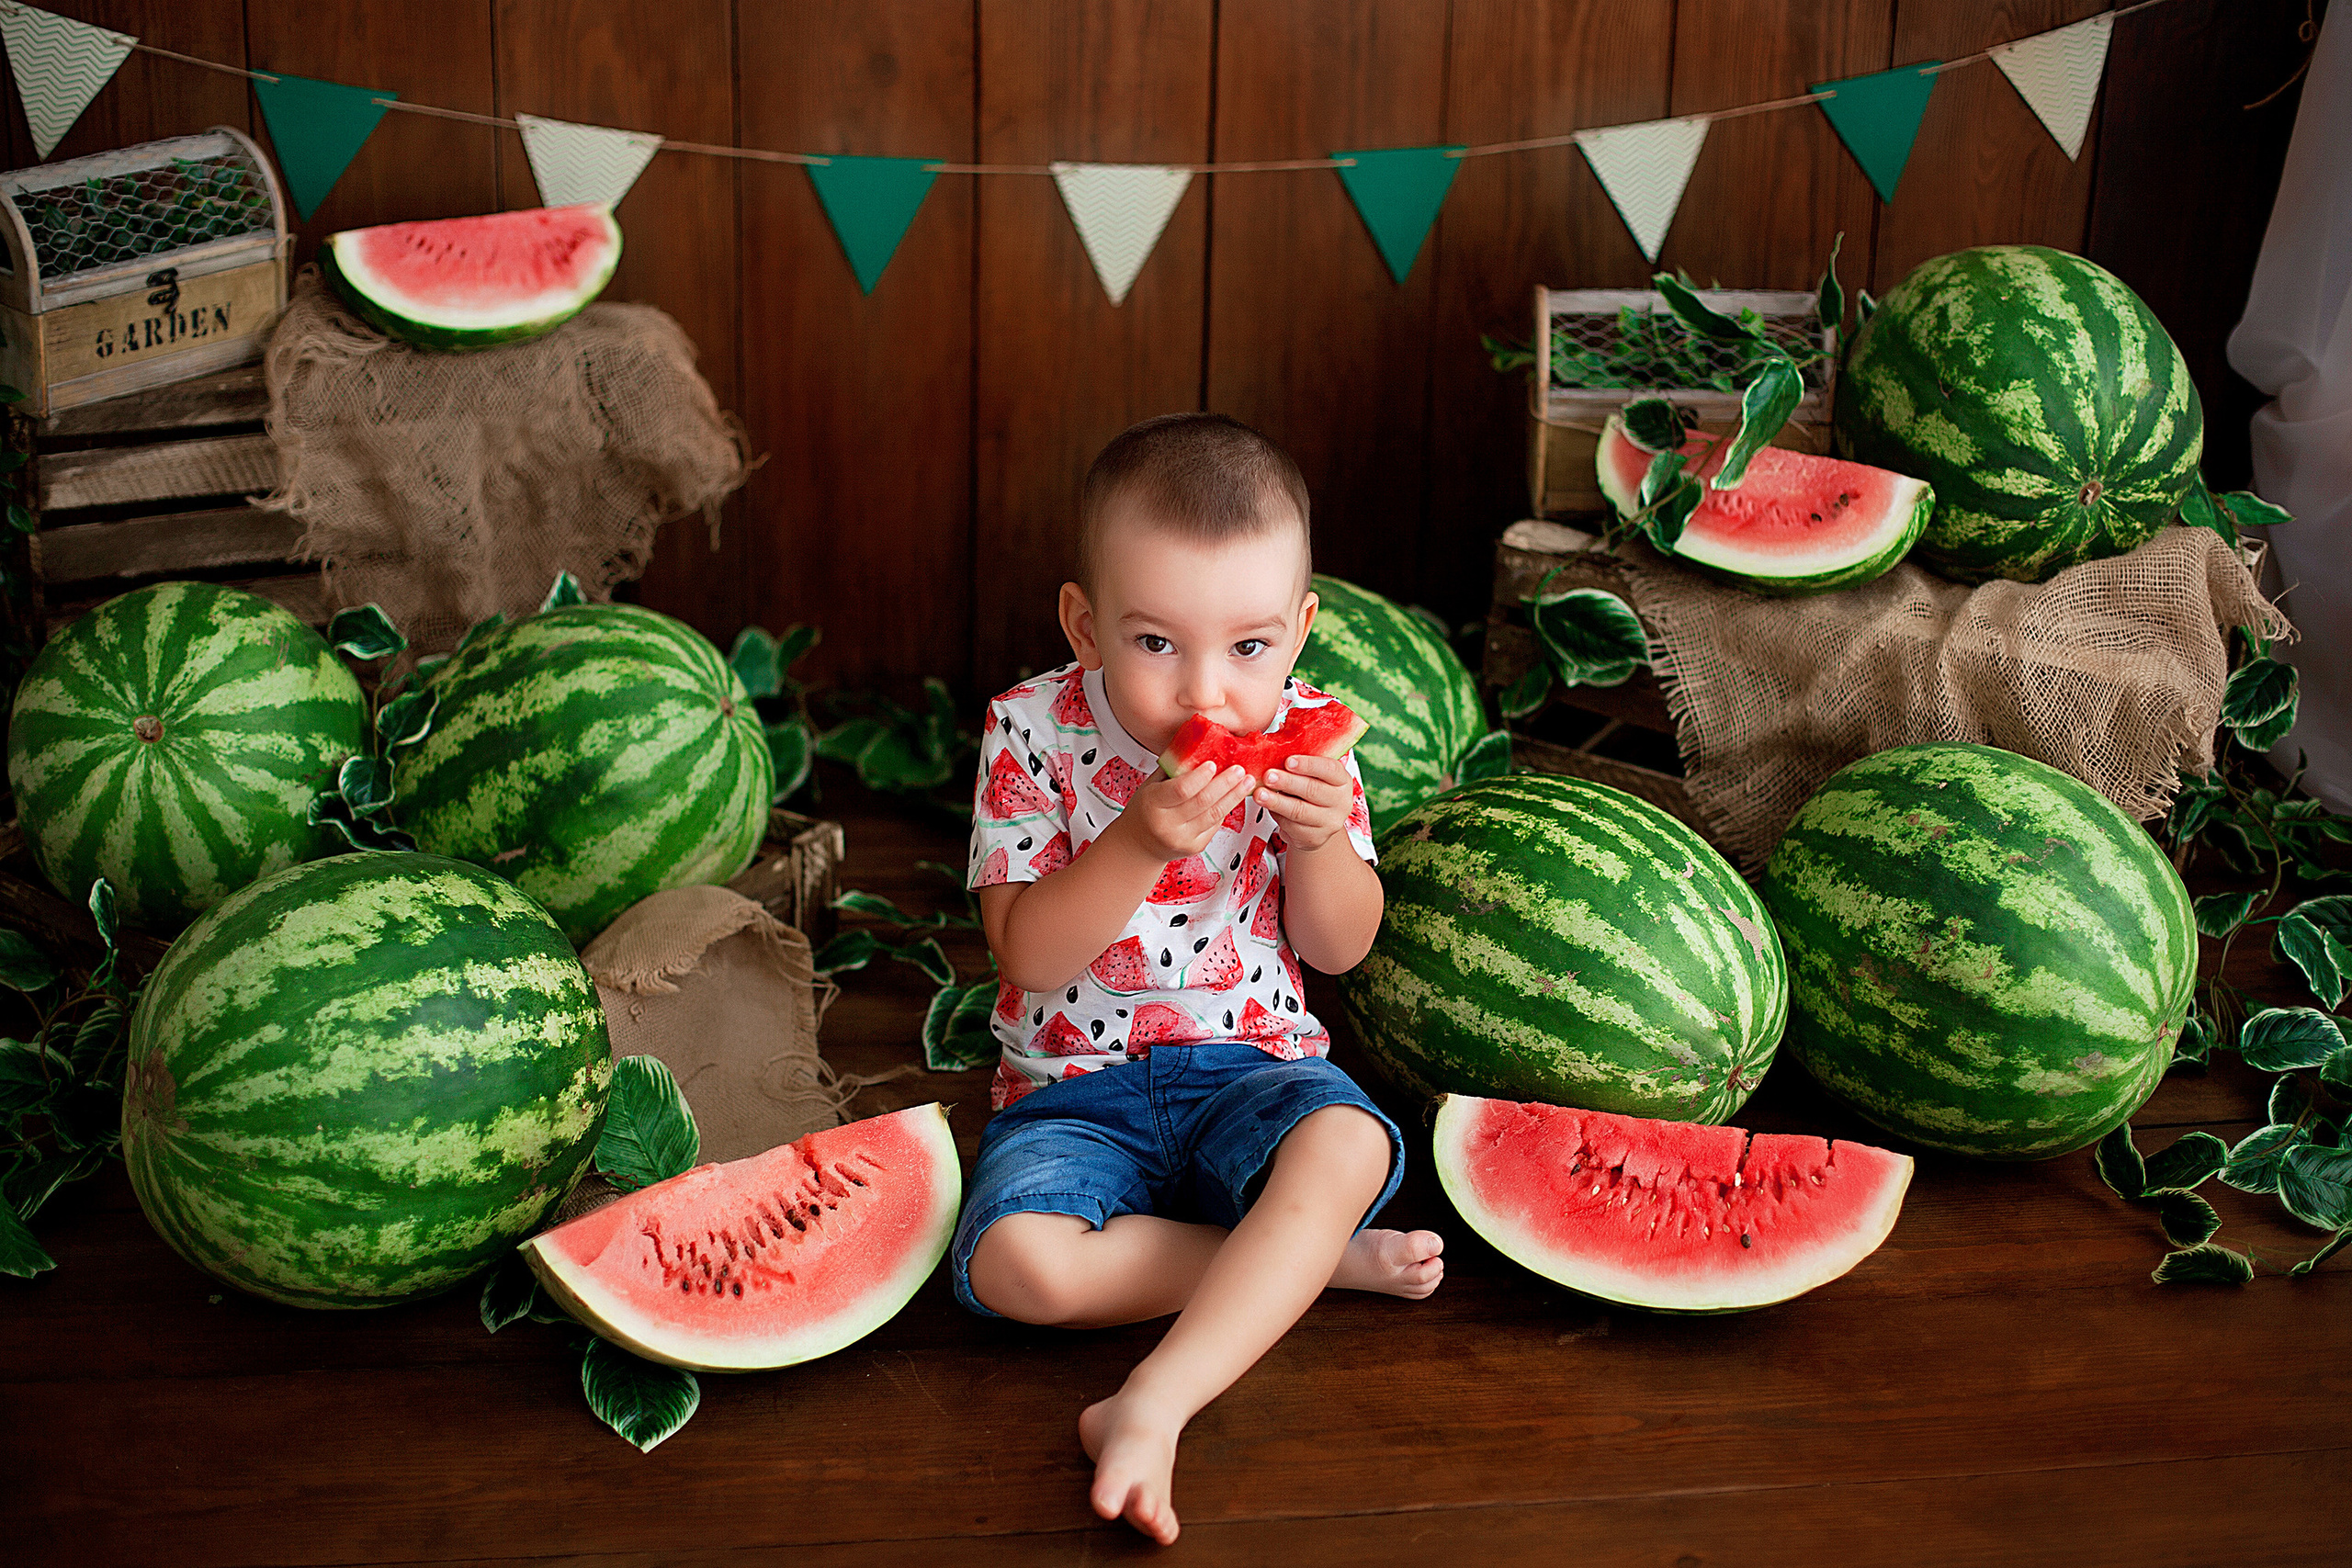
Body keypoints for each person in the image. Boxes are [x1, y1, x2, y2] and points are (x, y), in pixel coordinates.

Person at [956, 412, 1444, 1544]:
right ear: (1084, 624)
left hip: (1251, 1072)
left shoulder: (1314, 741)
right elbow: (1026, 956)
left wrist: (1321, 844)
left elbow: (1339, 950)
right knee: (1017, 1266)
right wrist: (1135, 841)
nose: (1208, 698)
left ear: (1300, 631)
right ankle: (1311, 1259)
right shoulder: (1027, 731)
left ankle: (1152, 1401)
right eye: (1157, 643)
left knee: (1351, 1141)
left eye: (1250, 647)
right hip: (1071, 1089)